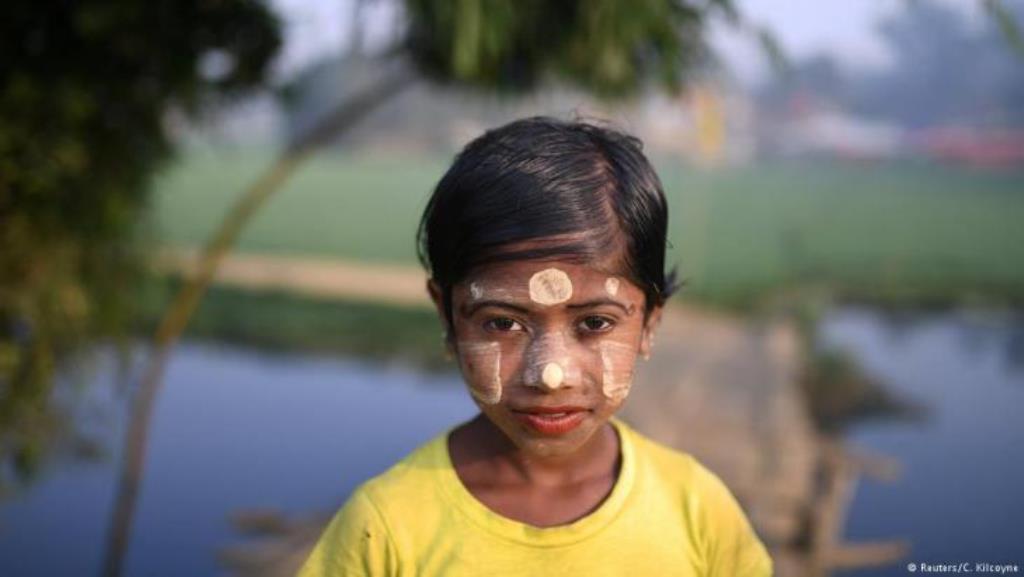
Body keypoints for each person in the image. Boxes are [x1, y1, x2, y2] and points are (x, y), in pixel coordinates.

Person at [298, 117, 773, 576]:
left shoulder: (699, 513)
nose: (550, 374)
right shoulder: (385, 529)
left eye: (594, 322)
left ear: (649, 322)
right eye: (503, 322)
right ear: (447, 315)